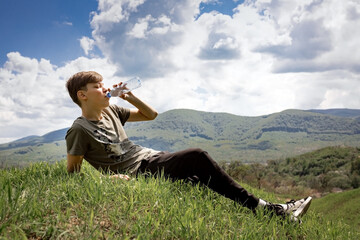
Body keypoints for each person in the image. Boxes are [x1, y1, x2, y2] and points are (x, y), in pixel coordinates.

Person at [65, 71, 312, 223]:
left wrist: (128, 96)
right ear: (82, 95)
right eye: (97, 87)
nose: (105, 89)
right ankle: (273, 210)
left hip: (151, 158)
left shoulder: (112, 110)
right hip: (138, 170)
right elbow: (73, 174)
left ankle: (279, 213)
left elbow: (150, 115)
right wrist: (110, 181)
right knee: (197, 156)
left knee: (198, 179)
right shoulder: (79, 130)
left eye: (103, 84)